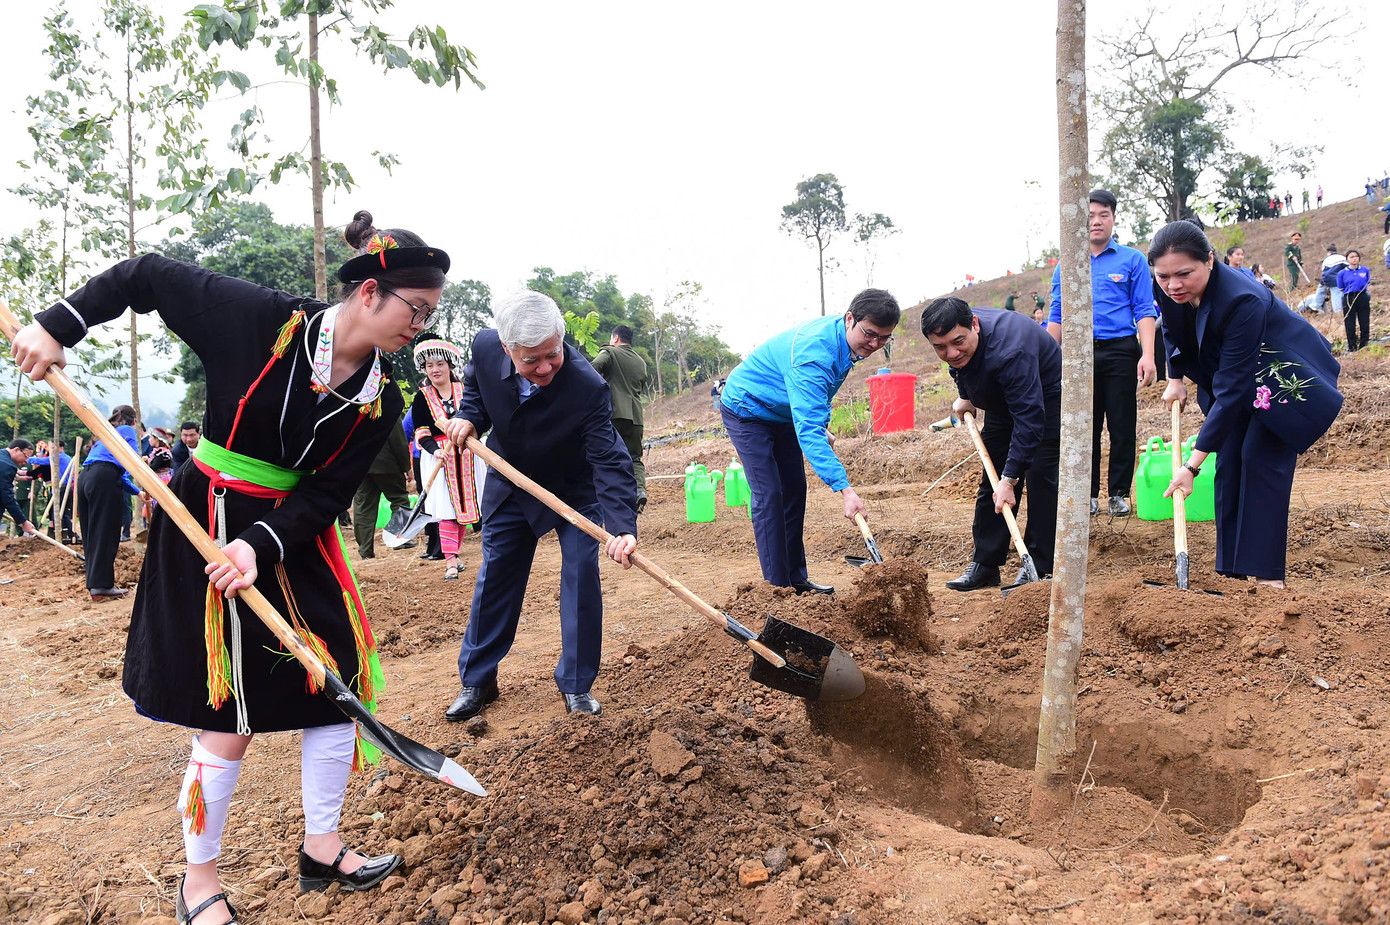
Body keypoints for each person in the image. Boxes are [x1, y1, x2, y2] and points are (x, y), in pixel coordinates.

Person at [10, 208, 449, 922]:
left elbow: (327, 495)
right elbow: (146, 273)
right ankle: (199, 880)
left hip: (283, 537)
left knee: (336, 678)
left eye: (429, 313)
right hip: (206, 520)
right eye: (417, 309)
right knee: (231, 706)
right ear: (369, 293)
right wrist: (60, 323)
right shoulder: (261, 321)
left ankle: (322, 844)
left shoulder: (381, 399)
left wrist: (261, 545)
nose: (419, 326)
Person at [440, 291, 638, 721]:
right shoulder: (485, 345)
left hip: (573, 488)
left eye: (553, 355)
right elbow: (476, 389)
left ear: (560, 339)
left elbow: (609, 459)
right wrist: (470, 416)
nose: (545, 367)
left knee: (581, 573)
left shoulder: (588, 387)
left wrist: (622, 526)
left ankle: (576, 684)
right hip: (511, 481)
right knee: (497, 576)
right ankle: (477, 680)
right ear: (508, 349)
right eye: (532, 361)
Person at [1150, 221, 1342, 588]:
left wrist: (1190, 466)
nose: (1173, 285)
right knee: (1231, 461)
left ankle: (1268, 578)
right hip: (1231, 373)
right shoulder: (1167, 286)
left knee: (1261, 457)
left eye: (1184, 274)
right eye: (1164, 277)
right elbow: (1171, 328)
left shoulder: (1242, 298)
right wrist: (1174, 377)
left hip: (1281, 377)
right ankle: (1233, 574)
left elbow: (1235, 388)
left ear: (1209, 260)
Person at [719, 289, 900, 594]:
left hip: (784, 412)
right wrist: (845, 491)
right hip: (747, 408)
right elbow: (808, 427)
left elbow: (820, 395)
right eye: (869, 334)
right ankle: (777, 589)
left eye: (883, 338)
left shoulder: (844, 341)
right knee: (770, 493)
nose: (874, 344)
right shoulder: (814, 353)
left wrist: (820, 424)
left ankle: (796, 579)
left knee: (794, 490)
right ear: (850, 319)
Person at [924, 299, 1061, 591]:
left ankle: (1040, 566)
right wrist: (967, 395)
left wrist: (1011, 480)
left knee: (1040, 477)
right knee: (992, 479)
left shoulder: (1011, 350)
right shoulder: (957, 342)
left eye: (957, 342)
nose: (951, 352)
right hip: (1001, 398)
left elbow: (1029, 419)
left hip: (1044, 399)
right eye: (940, 347)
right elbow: (959, 365)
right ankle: (985, 564)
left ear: (974, 324)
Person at [1047, 188, 1157, 516]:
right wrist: (1047, 361)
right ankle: (1089, 494)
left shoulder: (1132, 259)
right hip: (1079, 356)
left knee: (1122, 423)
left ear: (1112, 218)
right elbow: (1057, 315)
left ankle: (1119, 494)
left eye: (1102, 215)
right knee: (1086, 426)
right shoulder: (1066, 266)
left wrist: (1147, 355)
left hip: (1121, 350)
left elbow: (1143, 309)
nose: (1096, 222)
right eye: (1090, 216)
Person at [412, 338, 482, 580]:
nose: (435, 370)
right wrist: (434, 450)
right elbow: (421, 430)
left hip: (469, 454)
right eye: (429, 366)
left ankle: (456, 553)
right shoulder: (422, 397)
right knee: (446, 509)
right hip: (439, 457)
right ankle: (450, 559)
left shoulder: (466, 391)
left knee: (464, 507)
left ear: (450, 366)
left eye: (440, 364)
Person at [78, 406, 141, 601]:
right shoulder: (128, 431)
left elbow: (115, 471)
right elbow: (134, 462)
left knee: (91, 533)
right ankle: (102, 587)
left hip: (85, 477)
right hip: (104, 478)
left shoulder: (103, 434)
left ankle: (95, 584)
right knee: (106, 532)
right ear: (134, 421)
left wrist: (139, 492)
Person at [592, 325, 650, 513]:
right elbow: (640, 385)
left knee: (606, 456)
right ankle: (640, 491)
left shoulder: (609, 352)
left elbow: (593, 368)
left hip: (613, 414)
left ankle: (610, 498)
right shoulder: (641, 362)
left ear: (615, 338)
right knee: (634, 457)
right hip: (635, 417)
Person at [351, 409, 413, 558]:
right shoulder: (388, 403)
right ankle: (398, 539)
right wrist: (406, 466)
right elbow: (398, 440)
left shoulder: (353, 404)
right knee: (400, 499)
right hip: (387, 464)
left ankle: (365, 550)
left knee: (363, 506)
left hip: (360, 464)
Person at [402, 406, 444, 560]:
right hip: (423, 455)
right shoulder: (418, 405)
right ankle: (432, 542)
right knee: (426, 498)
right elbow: (405, 431)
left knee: (441, 497)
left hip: (444, 453)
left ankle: (441, 544)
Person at [29, 440, 75, 541]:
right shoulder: (66, 457)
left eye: (54, 448)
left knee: (57, 511)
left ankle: (61, 534)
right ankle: (70, 534)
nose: (52, 450)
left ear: (61, 448)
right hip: (66, 487)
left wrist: (28, 459)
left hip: (62, 487)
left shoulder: (59, 457)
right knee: (62, 512)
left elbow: (43, 461)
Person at [0, 439, 38, 540]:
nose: (26, 461)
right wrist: (23, 522)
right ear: (16, 450)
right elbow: (6, 496)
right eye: (26, 456)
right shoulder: (7, 465)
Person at [1336, 250, 1372, 352]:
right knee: (1350, 322)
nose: (1354, 259)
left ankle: (1364, 344)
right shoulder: (1342, 273)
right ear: (1347, 259)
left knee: (1364, 321)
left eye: (1356, 256)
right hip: (1349, 298)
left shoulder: (1365, 270)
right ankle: (1352, 346)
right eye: (1351, 257)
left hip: (1362, 296)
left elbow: (1367, 282)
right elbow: (1341, 287)